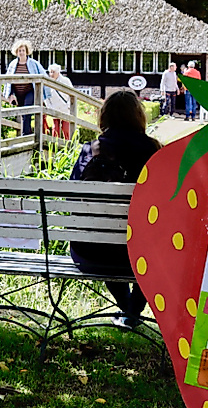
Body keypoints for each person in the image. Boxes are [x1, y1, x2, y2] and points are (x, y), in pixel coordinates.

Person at [69, 91, 162, 328]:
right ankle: (133, 311)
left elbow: (71, 195)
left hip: (90, 253)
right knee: (153, 247)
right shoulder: (155, 152)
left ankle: (127, 309)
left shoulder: (90, 150)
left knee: (105, 238)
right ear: (138, 116)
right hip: (142, 260)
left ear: (105, 117)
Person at [4, 39, 46, 135]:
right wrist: (10, 94)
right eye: (19, 51)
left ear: (27, 51)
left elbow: (43, 74)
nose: (21, 52)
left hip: (29, 91)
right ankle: (29, 133)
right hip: (18, 92)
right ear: (16, 52)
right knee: (23, 114)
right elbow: (8, 79)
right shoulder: (13, 64)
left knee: (27, 110)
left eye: (23, 50)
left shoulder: (33, 63)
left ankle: (24, 135)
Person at [44, 63, 75, 139]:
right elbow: (46, 97)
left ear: (58, 72)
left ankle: (67, 145)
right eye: (50, 72)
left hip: (64, 107)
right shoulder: (48, 82)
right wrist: (50, 107)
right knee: (55, 129)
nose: (51, 74)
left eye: (53, 72)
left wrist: (68, 105)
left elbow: (72, 94)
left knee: (66, 128)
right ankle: (55, 146)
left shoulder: (65, 81)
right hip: (54, 107)